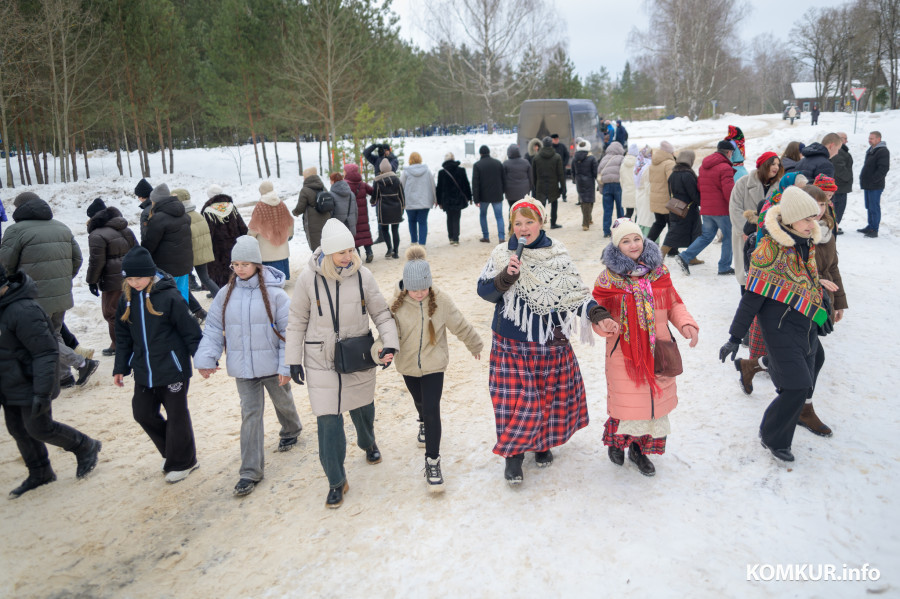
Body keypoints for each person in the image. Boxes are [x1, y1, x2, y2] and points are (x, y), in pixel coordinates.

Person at [477, 197, 618, 485]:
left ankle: (543, 442)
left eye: (529, 222)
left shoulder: (558, 253)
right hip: (511, 340)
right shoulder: (503, 253)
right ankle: (513, 455)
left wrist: (598, 314)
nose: (523, 228)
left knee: (546, 397)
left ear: (541, 222)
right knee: (516, 400)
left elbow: (575, 295)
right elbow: (485, 292)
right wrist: (505, 278)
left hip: (549, 339)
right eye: (518, 223)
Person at [285, 219, 399, 509]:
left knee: (363, 406)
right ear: (327, 252)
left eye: (350, 250)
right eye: (341, 252)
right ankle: (336, 480)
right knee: (328, 420)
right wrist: (293, 360)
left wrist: (389, 343)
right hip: (319, 357)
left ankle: (368, 441)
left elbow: (382, 314)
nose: (348, 257)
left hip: (357, 352)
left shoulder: (363, 276)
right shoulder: (307, 279)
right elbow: (296, 320)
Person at [720, 187, 827, 462]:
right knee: (797, 386)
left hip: (805, 324)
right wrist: (734, 336)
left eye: (813, 218)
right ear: (790, 220)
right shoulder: (769, 252)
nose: (811, 224)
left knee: (815, 363)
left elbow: (809, 283)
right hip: (779, 328)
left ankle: (755, 369)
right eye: (805, 219)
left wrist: (822, 313)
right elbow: (751, 298)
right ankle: (772, 436)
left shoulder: (807, 243)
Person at [194, 236, 302, 497]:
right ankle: (250, 472)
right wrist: (207, 358)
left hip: (271, 367)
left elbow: (289, 334)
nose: (240, 269)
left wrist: (285, 368)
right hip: (243, 370)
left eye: (245, 264)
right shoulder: (225, 295)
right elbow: (213, 328)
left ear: (257, 264)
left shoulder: (276, 295)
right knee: (250, 416)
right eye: (236, 264)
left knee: (283, 402)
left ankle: (291, 428)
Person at [592, 219, 698, 476]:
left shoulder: (659, 272)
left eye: (636, 239)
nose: (633, 245)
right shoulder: (608, 279)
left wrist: (686, 324)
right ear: (617, 246)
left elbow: (673, 303)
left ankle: (639, 451)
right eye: (625, 241)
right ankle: (617, 443)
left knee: (651, 406)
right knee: (627, 404)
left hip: (657, 350)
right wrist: (604, 326)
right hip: (623, 353)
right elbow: (596, 313)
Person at [0, 265, 102, 499]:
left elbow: (46, 353)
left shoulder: (24, 310)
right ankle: (40, 471)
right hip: (8, 381)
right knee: (17, 429)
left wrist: (43, 392)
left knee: (39, 427)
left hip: (31, 381)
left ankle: (84, 445)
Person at [388, 246, 483, 491]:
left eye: (423, 288)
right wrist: (382, 351)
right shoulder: (396, 305)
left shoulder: (440, 300)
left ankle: (433, 461)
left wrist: (474, 344)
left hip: (433, 366)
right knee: (420, 403)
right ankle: (421, 419)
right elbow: (386, 334)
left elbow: (459, 324)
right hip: (408, 365)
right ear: (405, 286)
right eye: (414, 289)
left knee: (432, 409)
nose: (419, 294)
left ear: (429, 284)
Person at [113, 246, 203, 483]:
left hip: (172, 368)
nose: (135, 283)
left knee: (176, 415)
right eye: (130, 279)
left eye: (139, 278)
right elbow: (123, 337)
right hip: (144, 370)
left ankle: (185, 461)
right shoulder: (126, 299)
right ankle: (175, 451)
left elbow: (190, 331)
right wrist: (120, 366)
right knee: (142, 413)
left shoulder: (169, 296)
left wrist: (203, 360)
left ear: (150, 274)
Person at [0, 192, 97, 389]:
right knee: (55, 333)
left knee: (40, 337)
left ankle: (81, 363)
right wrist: (62, 280)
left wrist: (13, 286)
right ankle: (63, 377)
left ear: (19, 209)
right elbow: (77, 259)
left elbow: (4, 265)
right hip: (61, 293)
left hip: (31, 296)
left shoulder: (15, 231)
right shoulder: (61, 227)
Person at [797, 178, 846, 437]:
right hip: (797, 304)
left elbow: (833, 267)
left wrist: (839, 303)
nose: (819, 211)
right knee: (812, 355)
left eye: (823, 205)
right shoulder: (795, 231)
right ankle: (802, 407)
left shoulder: (826, 228)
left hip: (821, 301)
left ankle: (753, 366)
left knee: (807, 354)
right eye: (814, 204)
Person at [85, 198, 137, 357]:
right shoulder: (125, 229)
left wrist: (91, 281)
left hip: (112, 280)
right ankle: (135, 340)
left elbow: (96, 261)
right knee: (131, 309)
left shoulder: (96, 235)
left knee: (112, 312)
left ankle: (118, 345)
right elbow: (137, 250)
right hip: (132, 276)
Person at [675, 141, 735, 275]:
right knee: (729, 237)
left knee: (706, 236)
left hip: (707, 209)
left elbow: (699, 186)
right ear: (729, 152)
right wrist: (734, 205)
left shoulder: (704, 166)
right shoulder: (725, 167)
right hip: (722, 210)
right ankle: (724, 267)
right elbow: (728, 191)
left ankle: (685, 256)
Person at [728, 151, 783, 288]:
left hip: (769, 236)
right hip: (745, 234)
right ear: (764, 165)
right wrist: (744, 231)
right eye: (772, 163)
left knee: (767, 275)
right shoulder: (743, 183)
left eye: (778, 164)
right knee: (746, 272)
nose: (776, 167)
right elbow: (735, 208)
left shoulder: (779, 187)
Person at [141, 184, 194, 307]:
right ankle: (184, 319)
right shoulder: (184, 215)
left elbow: (149, 244)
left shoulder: (158, 219)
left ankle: (171, 323)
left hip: (166, 267)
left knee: (166, 297)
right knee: (182, 295)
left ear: (156, 200)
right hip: (184, 264)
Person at [172, 188, 216, 321]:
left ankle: (189, 310)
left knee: (183, 283)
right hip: (202, 252)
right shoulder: (197, 214)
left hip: (189, 255)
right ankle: (222, 299)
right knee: (205, 278)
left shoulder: (182, 218)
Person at [202, 185, 248, 289]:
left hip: (216, 247)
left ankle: (218, 290)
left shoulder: (208, 211)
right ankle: (235, 287)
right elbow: (241, 226)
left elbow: (207, 232)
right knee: (234, 265)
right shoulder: (231, 207)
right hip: (234, 243)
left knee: (218, 268)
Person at [248, 180, 295, 280]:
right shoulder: (281, 203)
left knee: (269, 263)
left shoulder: (260, 206)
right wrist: (290, 234)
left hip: (266, 244)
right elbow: (289, 221)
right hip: (282, 241)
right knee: (280, 258)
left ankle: (272, 280)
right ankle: (282, 278)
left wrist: (250, 237)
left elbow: (254, 225)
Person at [661, 150, 702, 260]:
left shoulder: (673, 174)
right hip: (688, 210)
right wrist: (701, 202)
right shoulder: (687, 174)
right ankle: (660, 256)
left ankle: (692, 257)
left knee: (675, 232)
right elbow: (693, 193)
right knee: (690, 232)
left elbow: (671, 192)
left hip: (676, 208)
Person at [435, 152, 472, 246]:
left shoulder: (442, 172)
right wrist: (469, 197)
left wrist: (439, 201)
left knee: (449, 217)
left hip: (446, 200)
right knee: (456, 218)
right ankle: (456, 238)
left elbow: (439, 188)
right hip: (458, 198)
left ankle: (451, 237)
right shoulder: (461, 170)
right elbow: (466, 184)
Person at [400, 152, 436, 246]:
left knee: (411, 221)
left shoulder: (406, 172)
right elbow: (433, 185)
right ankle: (422, 244)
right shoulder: (427, 171)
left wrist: (400, 200)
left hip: (409, 202)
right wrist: (435, 199)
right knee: (423, 222)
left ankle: (414, 241)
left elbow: (400, 186)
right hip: (424, 202)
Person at [372, 158, 406, 258]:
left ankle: (389, 249)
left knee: (385, 229)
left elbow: (376, 196)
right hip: (396, 208)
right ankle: (396, 252)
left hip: (383, 209)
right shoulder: (396, 179)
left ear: (381, 169)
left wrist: (372, 201)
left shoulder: (378, 181)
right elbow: (401, 195)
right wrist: (403, 206)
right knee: (395, 230)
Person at [858, 130, 890, 238]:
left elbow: (883, 169)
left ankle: (874, 229)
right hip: (868, 184)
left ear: (878, 139)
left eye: (871, 138)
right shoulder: (872, 150)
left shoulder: (882, 151)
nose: (869, 140)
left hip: (875, 185)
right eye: (869, 138)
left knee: (874, 207)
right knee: (869, 206)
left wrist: (873, 180)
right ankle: (870, 226)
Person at [472, 145, 506, 243]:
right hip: (497, 195)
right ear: (488, 152)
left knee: (483, 215)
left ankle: (486, 236)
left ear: (480, 154)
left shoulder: (477, 165)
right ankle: (501, 237)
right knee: (499, 216)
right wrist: (502, 191)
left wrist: (476, 199)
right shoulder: (498, 163)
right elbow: (504, 179)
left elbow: (475, 183)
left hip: (483, 197)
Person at [293, 166, 331, 252]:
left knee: (317, 247)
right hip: (326, 218)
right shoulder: (323, 187)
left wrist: (295, 212)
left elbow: (300, 208)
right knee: (326, 244)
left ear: (306, 177)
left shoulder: (305, 190)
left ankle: (319, 264)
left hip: (313, 221)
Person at [531, 137, 565, 229]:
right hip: (553, 184)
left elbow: (533, 174)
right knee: (554, 204)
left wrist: (534, 186)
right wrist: (563, 187)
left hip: (540, 184)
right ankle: (553, 223)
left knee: (541, 205)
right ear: (551, 144)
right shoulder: (557, 157)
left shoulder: (536, 158)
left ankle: (540, 223)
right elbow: (560, 174)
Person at [344, 163, 375, 263]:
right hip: (363, 214)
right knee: (365, 232)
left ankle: (357, 256)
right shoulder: (362, 184)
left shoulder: (345, 185)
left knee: (354, 235)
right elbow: (372, 191)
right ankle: (369, 252)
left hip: (352, 214)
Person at [647, 141, 677, 244]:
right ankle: (672, 249)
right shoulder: (669, 163)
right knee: (672, 225)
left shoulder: (654, 163)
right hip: (666, 199)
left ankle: (645, 245)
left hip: (656, 198)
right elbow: (672, 181)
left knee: (659, 223)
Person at [597, 141, 625, 235]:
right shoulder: (621, 158)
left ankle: (606, 231)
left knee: (607, 210)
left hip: (606, 186)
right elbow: (624, 173)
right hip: (618, 185)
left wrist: (601, 189)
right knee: (620, 208)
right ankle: (620, 229)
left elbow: (599, 175)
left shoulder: (604, 159)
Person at [572, 139, 599, 231]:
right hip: (589, 182)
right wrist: (598, 181)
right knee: (589, 201)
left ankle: (589, 219)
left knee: (584, 201)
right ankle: (585, 223)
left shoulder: (575, 158)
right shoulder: (592, 158)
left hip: (579, 182)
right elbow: (595, 172)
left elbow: (573, 171)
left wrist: (574, 180)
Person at [327, 172, 358, 247]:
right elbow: (356, 211)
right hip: (350, 225)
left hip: (337, 228)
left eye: (330, 180)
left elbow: (330, 213)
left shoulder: (331, 194)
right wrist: (353, 223)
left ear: (333, 181)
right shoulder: (351, 194)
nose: (330, 182)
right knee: (350, 248)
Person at [830, 132, 853, 230]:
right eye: (845, 138)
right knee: (838, 207)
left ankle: (834, 225)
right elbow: (839, 168)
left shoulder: (840, 150)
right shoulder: (838, 151)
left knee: (838, 207)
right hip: (840, 185)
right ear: (839, 139)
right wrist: (848, 177)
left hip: (840, 185)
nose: (847, 141)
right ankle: (833, 226)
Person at [502, 143, 533, 211]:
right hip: (524, 192)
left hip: (510, 193)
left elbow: (503, 179)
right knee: (523, 210)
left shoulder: (505, 164)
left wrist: (504, 190)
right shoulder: (526, 162)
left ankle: (512, 221)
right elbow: (530, 177)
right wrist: (530, 188)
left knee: (512, 209)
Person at [633, 146, 655, 235]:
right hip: (647, 198)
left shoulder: (638, 166)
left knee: (641, 221)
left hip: (639, 196)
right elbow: (649, 186)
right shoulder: (648, 167)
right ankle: (650, 246)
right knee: (649, 223)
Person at [620, 144, 638, 219]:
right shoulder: (638, 164)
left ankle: (627, 229)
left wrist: (624, 188)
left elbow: (621, 179)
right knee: (639, 214)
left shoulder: (623, 164)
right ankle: (638, 229)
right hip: (637, 192)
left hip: (627, 191)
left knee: (628, 214)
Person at [550, 134, 570, 201]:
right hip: (553, 170)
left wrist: (564, 164)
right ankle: (554, 197)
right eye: (555, 139)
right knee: (554, 184)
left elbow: (567, 155)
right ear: (552, 140)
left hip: (562, 169)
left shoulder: (562, 146)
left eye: (557, 139)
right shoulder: (550, 147)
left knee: (563, 183)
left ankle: (564, 196)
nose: (556, 140)